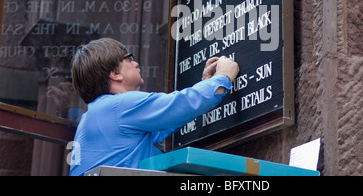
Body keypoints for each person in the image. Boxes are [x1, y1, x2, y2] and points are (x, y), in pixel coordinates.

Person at [69, 38, 239, 176]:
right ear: (115, 74)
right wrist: (221, 78)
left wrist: (206, 85)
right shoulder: (119, 106)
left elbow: (168, 118)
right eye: (129, 58)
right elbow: (180, 105)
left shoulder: (95, 116)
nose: (135, 64)